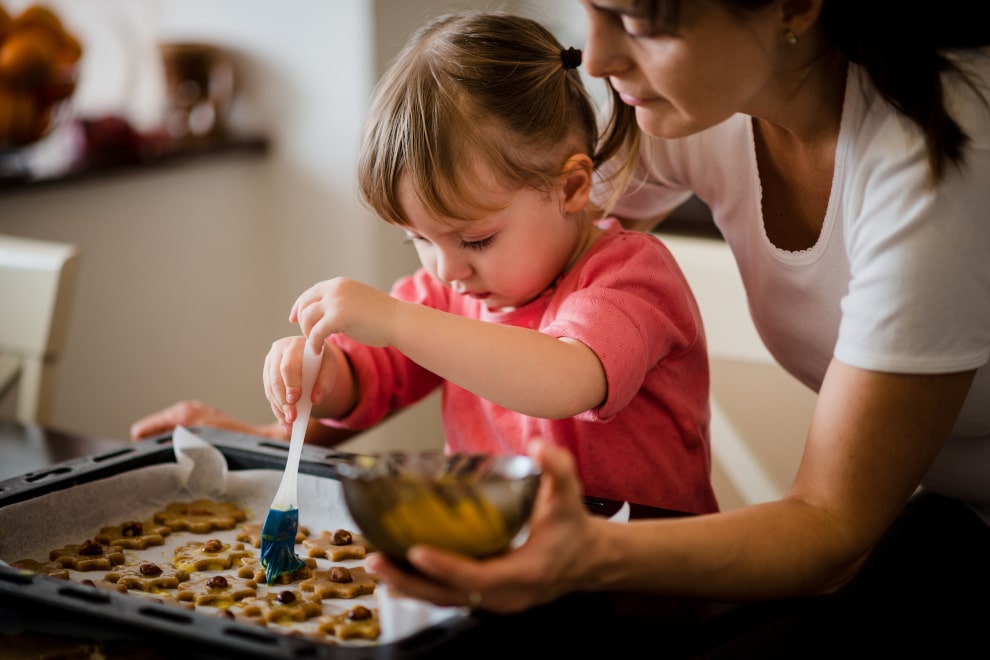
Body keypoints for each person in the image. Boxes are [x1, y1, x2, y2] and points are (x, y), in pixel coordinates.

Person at [364, 0, 990, 655]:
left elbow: (829, 525)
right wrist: (314, 406)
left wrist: (585, 554)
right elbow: (528, 250)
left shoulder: (935, 167)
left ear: (796, 5)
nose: (596, 59)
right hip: (940, 510)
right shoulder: (688, 101)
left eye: (636, 20)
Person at [261, 10, 717, 514]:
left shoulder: (631, 277)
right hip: (503, 566)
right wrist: (317, 375)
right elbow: (368, 381)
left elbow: (567, 381)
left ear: (571, 187)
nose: (446, 270)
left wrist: (395, 320)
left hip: (646, 573)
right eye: (418, 240)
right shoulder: (445, 295)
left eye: (474, 240)